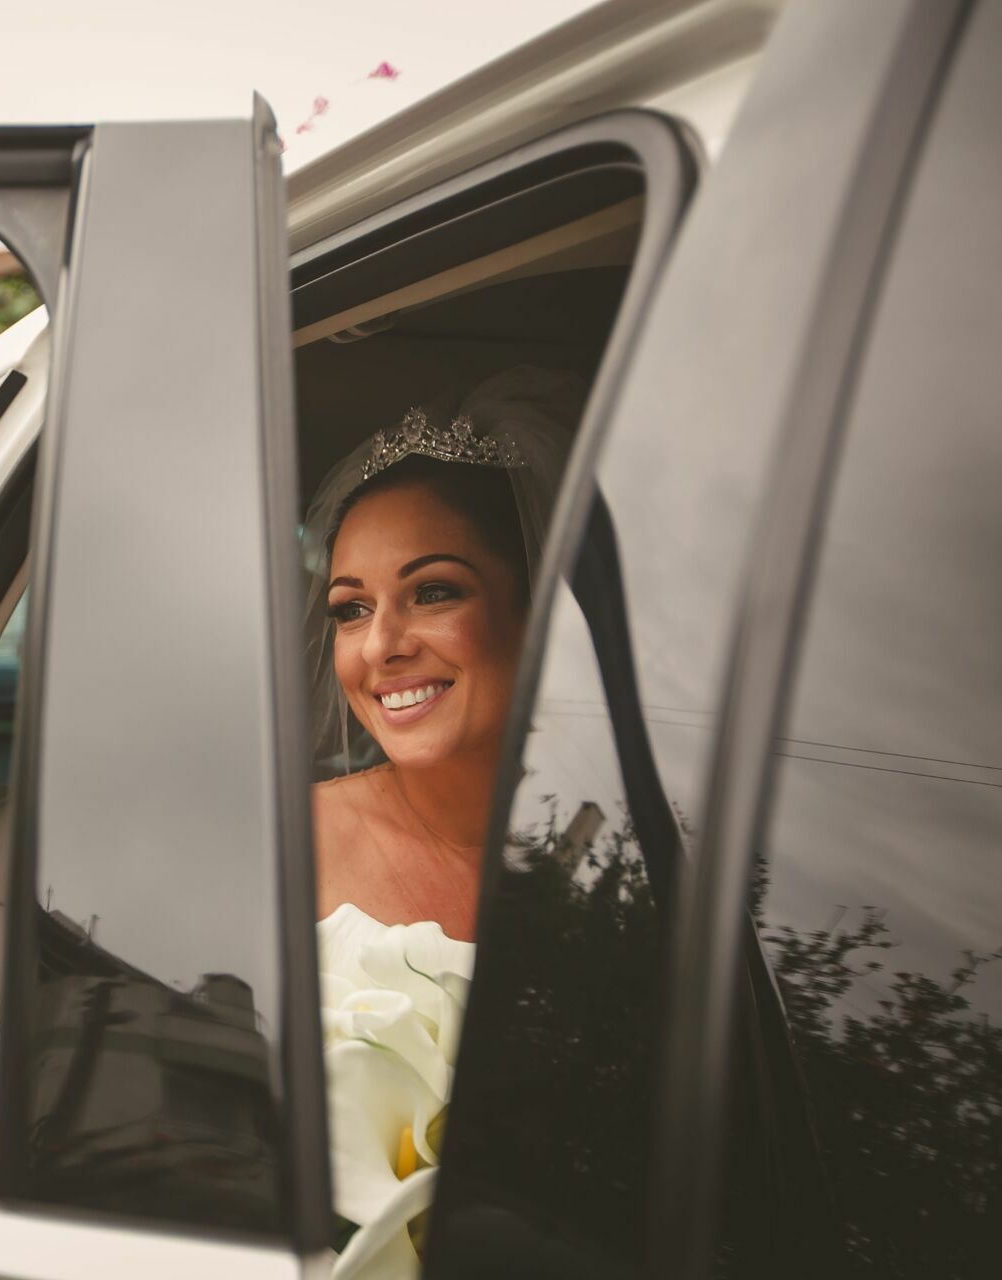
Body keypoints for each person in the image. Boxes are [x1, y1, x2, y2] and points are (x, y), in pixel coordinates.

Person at [303, 366, 580, 1279]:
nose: (382, 646)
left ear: (535, 606)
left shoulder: (626, 847)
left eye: (432, 592)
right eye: (352, 609)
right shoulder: (288, 850)